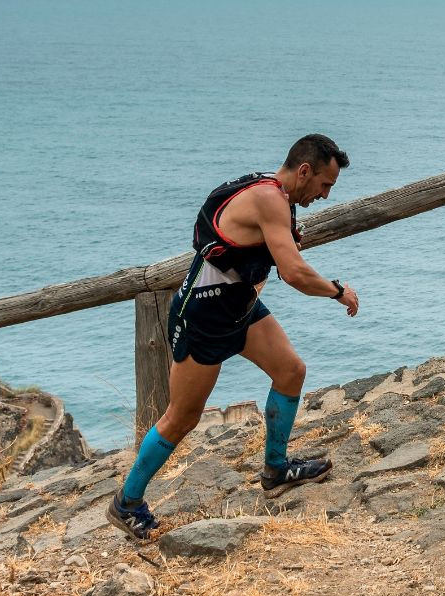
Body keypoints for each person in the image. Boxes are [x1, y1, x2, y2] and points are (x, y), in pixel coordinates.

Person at [107, 134, 360, 539]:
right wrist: (337, 291)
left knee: (291, 371)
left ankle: (276, 469)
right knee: (182, 417)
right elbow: (293, 273)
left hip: (239, 309)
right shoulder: (269, 199)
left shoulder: (276, 195)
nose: (325, 195)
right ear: (305, 171)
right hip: (204, 317)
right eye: (325, 185)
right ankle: (127, 502)